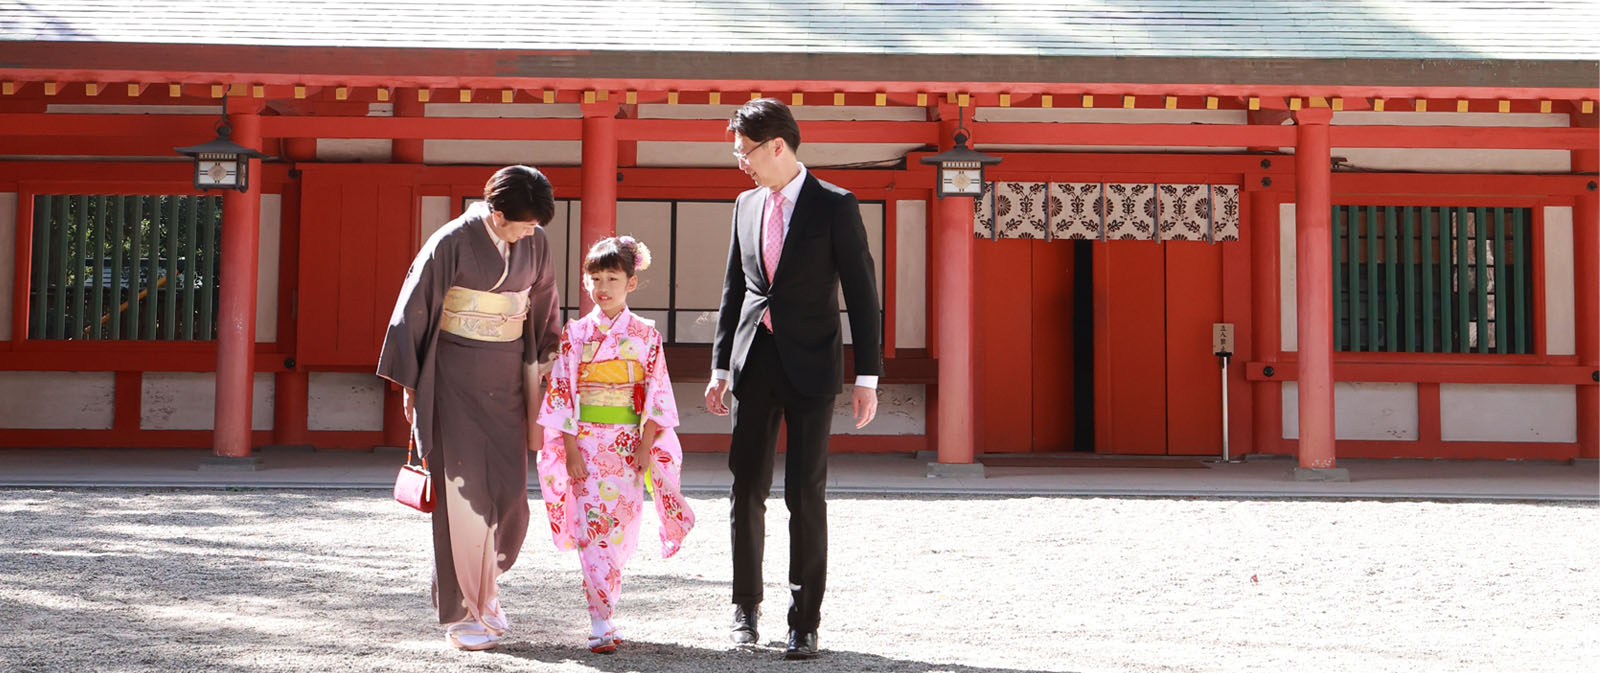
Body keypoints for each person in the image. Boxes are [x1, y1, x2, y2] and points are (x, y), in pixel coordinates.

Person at [704, 98, 882, 660]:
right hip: (753, 362)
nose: (741, 164)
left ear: (777, 146)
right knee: (745, 488)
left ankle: (804, 620)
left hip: (812, 365)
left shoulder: (835, 205)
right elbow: (735, 288)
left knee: (806, 493)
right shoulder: (745, 204)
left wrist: (868, 376)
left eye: (745, 152)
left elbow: (862, 293)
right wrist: (718, 366)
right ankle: (745, 610)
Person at [376, 165, 562, 651]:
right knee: (461, 500)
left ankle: (489, 593)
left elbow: (543, 304)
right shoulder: (451, 241)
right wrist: (412, 384)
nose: (529, 233)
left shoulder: (535, 243)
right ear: (495, 213)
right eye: (521, 224)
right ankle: (462, 612)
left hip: (508, 380)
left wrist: (548, 354)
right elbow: (413, 309)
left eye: (533, 227)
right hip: (453, 378)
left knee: (507, 495)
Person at [535, 236, 696, 654]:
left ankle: (607, 609)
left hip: (626, 446)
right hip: (585, 444)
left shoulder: (646, 335)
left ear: (632, 283)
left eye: (612, 277)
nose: (602, 286)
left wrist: (646, 447)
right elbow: (563, 392)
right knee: (594, 533)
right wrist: (569, 449)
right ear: (586, 282)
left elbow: (657, 395)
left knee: (621, 532)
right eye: (595, 278)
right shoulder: (575, 333)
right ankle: (600, 620)